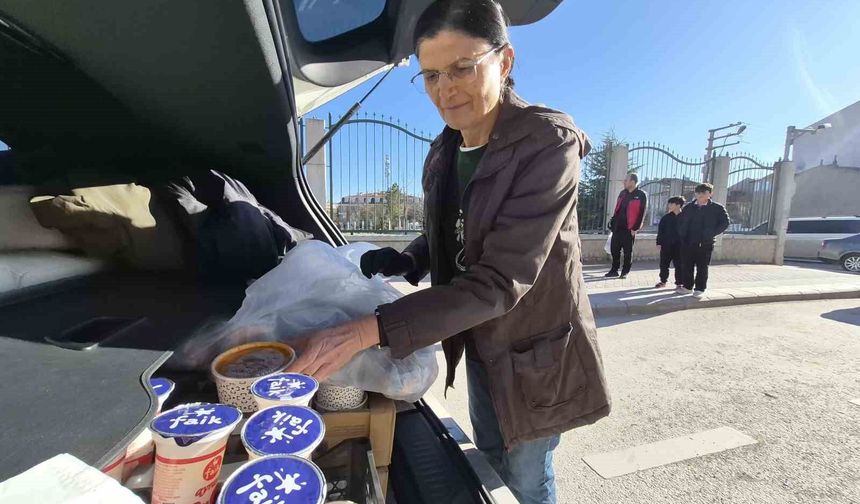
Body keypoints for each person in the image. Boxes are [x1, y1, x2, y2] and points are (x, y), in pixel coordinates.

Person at [284, 2, 611, 503]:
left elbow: (501, 278)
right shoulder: (444, 150)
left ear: (503, 62)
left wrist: (369, 329)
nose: (446, 89)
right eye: (431, 75)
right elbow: (457, 234)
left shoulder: (548, 142)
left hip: (534, 354)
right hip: (478, 343)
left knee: (525, 477)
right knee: (489, 465)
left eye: (462, 68)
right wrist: (409, 258)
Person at [677, 183, 730, 297]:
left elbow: (725, 223)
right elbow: (680, 222)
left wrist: (711, 233)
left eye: (704, 192)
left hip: (705, 243)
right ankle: (687, 287)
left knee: (702, 266)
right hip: (688, 242)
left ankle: (700, 288)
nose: (700, 195)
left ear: (710, 194)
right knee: (687, 265)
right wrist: (682, 235)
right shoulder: (689, 207)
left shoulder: (717, 208)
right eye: (698, 192)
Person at [605, 173, 647, 279]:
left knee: (628, 252)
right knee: (614, 250)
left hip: (629, 228)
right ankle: (614, 270)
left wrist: (636, 228)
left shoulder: (641, 195)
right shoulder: (622, 193)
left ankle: (625, 272)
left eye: (626, 180)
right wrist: (613, 222)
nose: (624, 182)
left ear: (632, 182)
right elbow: (617, 209)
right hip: (617, 227)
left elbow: (642, 213)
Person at [655, 196, 685, 288]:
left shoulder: (685, 217)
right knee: (664, 264)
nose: (669, 205)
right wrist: (659, 242)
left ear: (678, 205)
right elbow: (660, 231)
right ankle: (663, 281)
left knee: (679, 264)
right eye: (669, 203)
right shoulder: (666, 218)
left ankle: (679, 283)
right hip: (666, 245)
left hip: (680, 245)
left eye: (672, 203)